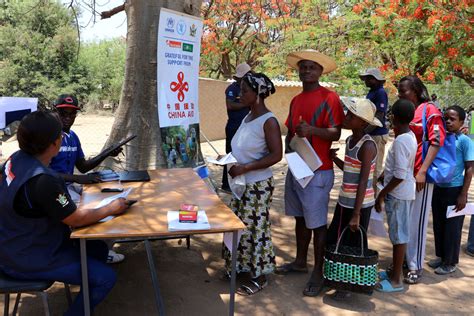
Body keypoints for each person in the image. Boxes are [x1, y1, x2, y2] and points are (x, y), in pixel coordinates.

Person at [0, 111, 131, 316]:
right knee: (106, 277)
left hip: (14, 245)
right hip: (28, 258)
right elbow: (75, 219)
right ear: (54, 144)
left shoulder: (15, 159)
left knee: (96, 248)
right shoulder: (44, 180)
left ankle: (84, 296)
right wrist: (111, 208)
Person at [276, 49, 345, 297]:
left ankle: (319, 271)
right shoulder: (296, 100)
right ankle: (299, 262)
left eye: (312, 67)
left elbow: (335, 133)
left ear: (320, 71)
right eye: (303, 67)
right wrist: (289, 148)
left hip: (319, 170)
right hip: (297, 168)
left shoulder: (330, 98)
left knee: (317, 224)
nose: (306, 71)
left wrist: (312, 130)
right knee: (299, 218)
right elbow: (291, 130)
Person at [222, 72, 282, 295]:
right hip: (241, 182)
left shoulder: (269, 121)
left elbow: (276, 155)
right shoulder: (248, 117)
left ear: (257, 94)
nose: (240, 93)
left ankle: (260, 276)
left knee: (256, 230)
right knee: (238, 226)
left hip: (257, 186)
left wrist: (246, 167)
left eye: (245, 90)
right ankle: (238, 266)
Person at [327, 97, 380, 299]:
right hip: (345, 201)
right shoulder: (350, 141)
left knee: (354, 244)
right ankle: (339, 280)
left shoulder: (367, 146)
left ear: (364, 123)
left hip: (359, 205)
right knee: (338, 238)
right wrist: (335, 160)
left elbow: (363, 182)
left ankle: (348, 287)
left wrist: (356, 214)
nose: (347, 117)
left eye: (352, 115)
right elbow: (351, 170)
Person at [398, 75, 446, 284]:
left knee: (417, 220)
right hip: (406, 173)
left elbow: (436, 142)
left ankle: (415, 265)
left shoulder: (430, 110)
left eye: (404, 91)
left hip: (420, 175)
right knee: (405, 218)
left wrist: (423, 171)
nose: (400, 95)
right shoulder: (409, 110)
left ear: (416, 91)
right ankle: (404, 260)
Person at [375, 99, 417, 292]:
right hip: (402, 192)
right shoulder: (409, 136)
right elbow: (399, 168)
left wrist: (382, 194)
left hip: (398, 194)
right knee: (397, 234)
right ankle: (394, 273)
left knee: (399, 237)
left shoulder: (401, 140)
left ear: (394, 117)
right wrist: (384, 175)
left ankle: (396, 281)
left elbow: (400, 174)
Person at [429, 106, 474, 274]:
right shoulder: (441, 138)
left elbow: (470, 168)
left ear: (462, 122)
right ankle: (441, 257)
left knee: (452, 228)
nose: (448, 121)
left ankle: (451, 262)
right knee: (439, 225)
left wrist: (463, 194)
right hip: (439, 187)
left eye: (452, 119)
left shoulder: (465, 141)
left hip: (455, 190)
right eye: (445, 118)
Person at [222, 62, 252, 192]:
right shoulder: (232, 89)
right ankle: (226, 184)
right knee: (230, 155)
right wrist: (247, 103)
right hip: (234, 127)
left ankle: (240, 183)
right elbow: (230, 105)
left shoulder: (251, 89)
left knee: (244, 156)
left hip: (246, 128)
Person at [359, 68, 389, 192]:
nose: (365, 80)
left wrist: (364, 131)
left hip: (377, 134)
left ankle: (374, 197)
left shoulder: (380, 93)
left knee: (375, 168)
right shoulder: (372, 92)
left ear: (375, 79)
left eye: (368, 78)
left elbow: (379, 116)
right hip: (371, 133)